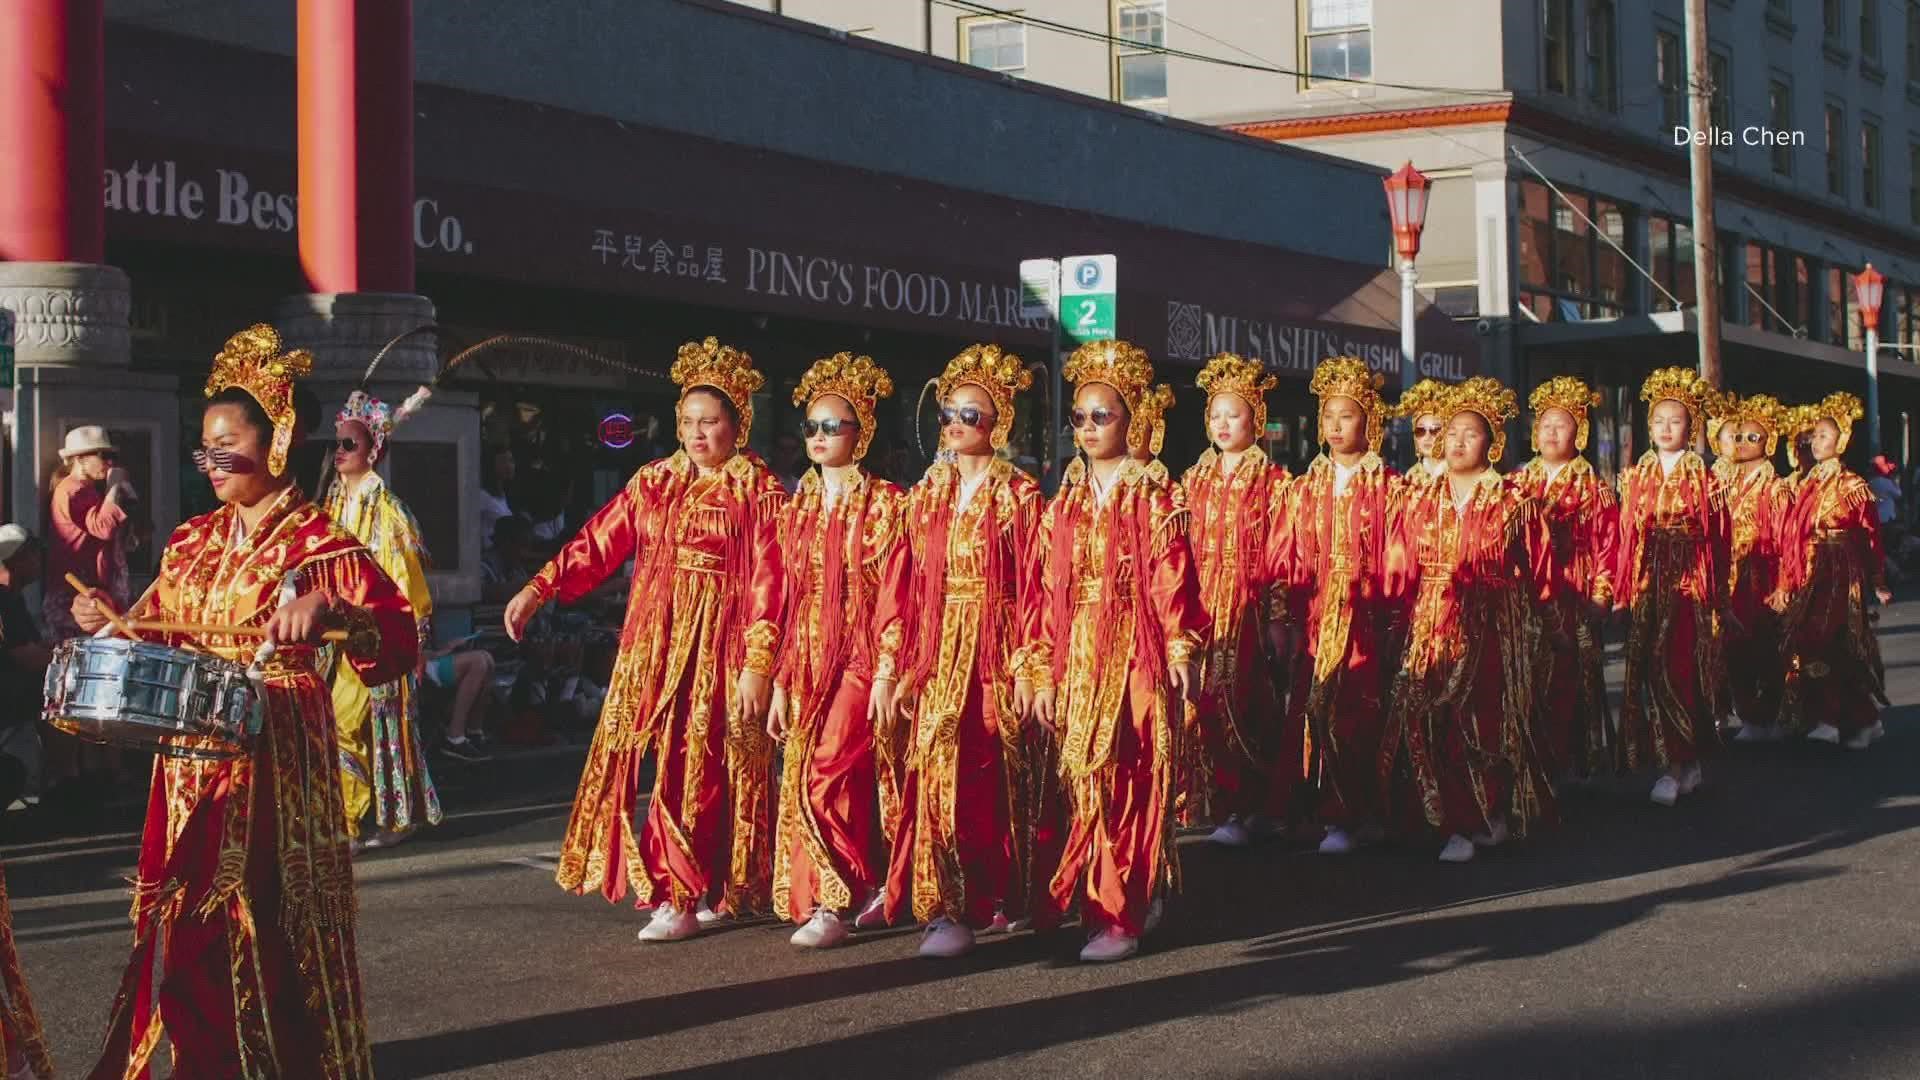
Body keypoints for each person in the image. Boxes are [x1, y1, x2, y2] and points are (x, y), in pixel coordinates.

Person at [76, 324, 418, 1079]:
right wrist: (113, 618)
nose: (213, 463)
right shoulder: (193, 540)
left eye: (227, 446)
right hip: (194, 749)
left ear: (277, 442)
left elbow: (397, 638)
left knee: (266, 917)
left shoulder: (320, 544)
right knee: (189, 918)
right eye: (204, 448)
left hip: (276, 748)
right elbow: (161, 627)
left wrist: (333, 612)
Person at [506, 337, 784, 943]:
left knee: (708, 763)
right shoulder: (654, 481)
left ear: (738, 424)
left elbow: (771, 578)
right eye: (687, 422)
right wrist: (540, 587)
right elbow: (599, 540)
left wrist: (758, 662)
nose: (697, 434)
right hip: (654, 640)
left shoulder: (757, 492)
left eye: (710, 422)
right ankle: (678, 886)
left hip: (721, 645)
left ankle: (696, 888)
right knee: (663, 761)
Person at [1027, 342, 1205, 962]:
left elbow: (1171, 576)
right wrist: (1043, 668)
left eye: (1103, 415)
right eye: (1079, 417)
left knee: (1128, 777)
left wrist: (1179, 648)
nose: (1089, 428)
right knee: (1084, 780)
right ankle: (1116, 898)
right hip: (1079, 650)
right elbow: (1046, 592)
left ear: (1131, 423)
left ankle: (1121, 914)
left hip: (1135, 649)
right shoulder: (1065, 503)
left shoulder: (1154, 496)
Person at [882, 344, 1044, 959]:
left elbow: (1036, 587)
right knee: (939, 768)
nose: (955, 423)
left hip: (996, 647)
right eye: (949, 412)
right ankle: (951, 907)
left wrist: (1033, 664)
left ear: (997, 423)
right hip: (937, 648)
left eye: (971, 414)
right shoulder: (922, 497)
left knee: (1001, 770)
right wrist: (893, 663)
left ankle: (1004, 891)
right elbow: (901, 586)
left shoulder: (1021, 497)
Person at [767, 353, 908, 949]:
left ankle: (836, 895)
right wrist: (773, 678)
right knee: (817, 771)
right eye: (812, 427)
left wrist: (885, 669)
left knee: (825, 770)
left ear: (862, 434)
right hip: (803, 657)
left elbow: (898, 593)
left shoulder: (886, 505)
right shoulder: (794, 507)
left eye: (834, 427)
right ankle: (857, 886)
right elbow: (779, 595)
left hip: (858, 657)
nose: (820, 437)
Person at [1381, 378, 1546, 863]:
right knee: (1425, 713)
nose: (1455, 441)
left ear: (1492, 442)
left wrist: (1540, 626)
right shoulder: (1420, 498)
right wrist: (1396, 620)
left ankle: (1481, 816)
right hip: (1430, 619)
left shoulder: (1511, 502)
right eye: (1448, 432)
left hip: (1491, 626)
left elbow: (1539, 571)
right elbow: (1399, 564)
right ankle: (1447, 816)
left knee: (1478, 721)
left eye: (1469, 433)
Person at [1282, 357, 1400, 856]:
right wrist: (1282, 613)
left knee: (1361, 710)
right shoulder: (1304, 486)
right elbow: (1285, 553)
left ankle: (1362, 809)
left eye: (1346, 416)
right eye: (1327, 416)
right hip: (1316, 611)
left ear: (1369, 421)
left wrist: (1391, 613)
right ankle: (1328, 812)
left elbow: (1400, 553)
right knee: (1315, 707)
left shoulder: (1390, 485)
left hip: (1364, 614)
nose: (1334, 426)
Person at [1178, 354, 1293, 844]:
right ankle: (1208, 800)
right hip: (1200, 601)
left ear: (1256, 420)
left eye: (1235, 414)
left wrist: (1276, 616)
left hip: (1245, 604)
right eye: (1216, 415)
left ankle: (1248, 803)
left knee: (1242, 700)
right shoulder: (1192, 480)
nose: (1223, 424)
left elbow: (1283, 550)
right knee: (1195, 700)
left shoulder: (1275, 482)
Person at [322, 391, 445, 849]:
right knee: (344, 722)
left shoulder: (390, 513)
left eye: (349, 444)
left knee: (371, 724)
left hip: (378, 633)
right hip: (338, 633)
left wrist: (414, 640)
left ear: (373, 451)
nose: (338, 452)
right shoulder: (331, 509)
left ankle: (369, 821)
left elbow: (408, 584)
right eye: (336, 444)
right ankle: (369, 819)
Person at [1612, 367, 1731, 807]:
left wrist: (1719, 596)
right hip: (1649, 583)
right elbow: (1626, 534)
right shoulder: (1636, 473)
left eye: (1675, 421)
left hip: (1689, 584)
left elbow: (1720, 538)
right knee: (1650, 671)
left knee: (1679, 670)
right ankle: (1678, 759)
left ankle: (1676, 764)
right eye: (1658, 420)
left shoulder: (1705, 476)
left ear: (1691, 427)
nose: (1665, 428)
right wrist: (1623, 591)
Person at [1510, 376, 1617, 783]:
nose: (1552, 432)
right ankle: (1532, 759)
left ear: (1580, 432)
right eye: (1545, 424)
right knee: (1529, 674)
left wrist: (1602, 595)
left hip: (1573, 586)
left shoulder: (1594, 487)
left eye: (1562, 424)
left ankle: (1569, 757)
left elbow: (1608, 544)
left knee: (1570, 675)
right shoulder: (1518, 482)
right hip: (1528, 592)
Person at [1772, 394, 1891, 750]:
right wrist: (1786, 579)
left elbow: (1870, 536)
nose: (1815, 441)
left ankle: (1832, 719)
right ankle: (1857, 718)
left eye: (1824, 435)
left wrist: (1878, 580)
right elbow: (1792, 533)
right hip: (1811, 570)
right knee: (1818, 645)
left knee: (1826, 640)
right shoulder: (1809, 483)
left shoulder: (1852, 487)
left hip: (1840, 572)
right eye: (1815, 436)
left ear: (1841, 441)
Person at [42, 424, 140, 804]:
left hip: (87, 597)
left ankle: (89, 770)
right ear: (79, 461)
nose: (109, 462)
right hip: (76, 601)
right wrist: (116, 486)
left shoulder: (82, 491)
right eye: (103, 456)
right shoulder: (74, 490)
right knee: (83, 684)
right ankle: (80, 773)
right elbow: (100, 526)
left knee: (88, 683)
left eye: (111, 456)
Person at [1710, 393, 1795, 742]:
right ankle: (1744, 713)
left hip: (1763, 577)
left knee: (1766, 648)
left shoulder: (1776, 488)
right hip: (1728, 576)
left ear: (1769, 442)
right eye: (1739, 437)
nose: (1743, 444)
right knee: (1730, 647)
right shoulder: (1723, 485)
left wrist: (1785, 584)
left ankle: (1767, 714)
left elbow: (1788, 540)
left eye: (1753, 438)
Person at [0, 528, 50, 812]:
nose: (39, 560)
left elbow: (34, 646)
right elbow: (26, 656)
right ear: (16, 559)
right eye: (33, 554)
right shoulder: (2, 600)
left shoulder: (12, 599)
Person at [1395, 378, 1452, 490]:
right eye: (1420, 431)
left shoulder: (1457, 475)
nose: (1427, 436)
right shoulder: (1411, 476)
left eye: (1435, 430)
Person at [479, 444, 516, 550]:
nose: (509, 465)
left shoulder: (505, 496)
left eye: (511, 460)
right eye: (503, 461)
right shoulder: (482, 496)